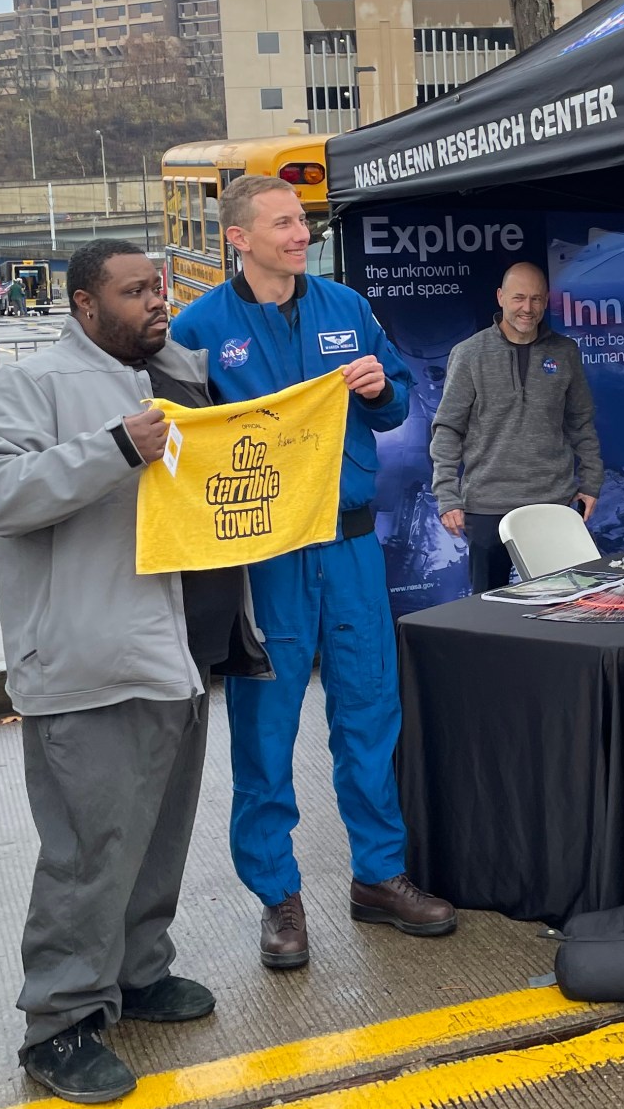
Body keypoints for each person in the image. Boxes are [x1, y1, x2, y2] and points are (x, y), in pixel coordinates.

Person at [0, 238, 246, 1104]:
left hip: (179, 652)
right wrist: (112, 448)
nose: (157, 301)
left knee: (158, 838)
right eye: (134, 292)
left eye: (157, 286)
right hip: (88, 658)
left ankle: (138, 973)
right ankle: (61, 1023)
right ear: (86, 305)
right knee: (88, 852)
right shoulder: (34, 385)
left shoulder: (186, 374)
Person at [170, 175, 455, 969]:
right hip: (267, 560)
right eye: (284, 223)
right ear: (239, 237)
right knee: (266, 728)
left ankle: (379, 876)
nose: (301, 235)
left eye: (304, 222)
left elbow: (396, 404)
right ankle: (278, 897)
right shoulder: (200, 328)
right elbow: (182, 449)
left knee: (369, 713)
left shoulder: (346, 308)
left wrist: (379, 389)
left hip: (351, 547)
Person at [429, 261, 604, 592]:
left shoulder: (565, 352)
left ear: (546, 301)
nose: (528, 308)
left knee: (561, 604)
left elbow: (581, 422)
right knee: (488, 612)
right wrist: (447, 496)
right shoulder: (469, 354)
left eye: (536, 299)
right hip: (486, 507)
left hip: (552, 503)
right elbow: (448, 429)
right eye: (519, 298)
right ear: (500, 297)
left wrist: (592, 482)